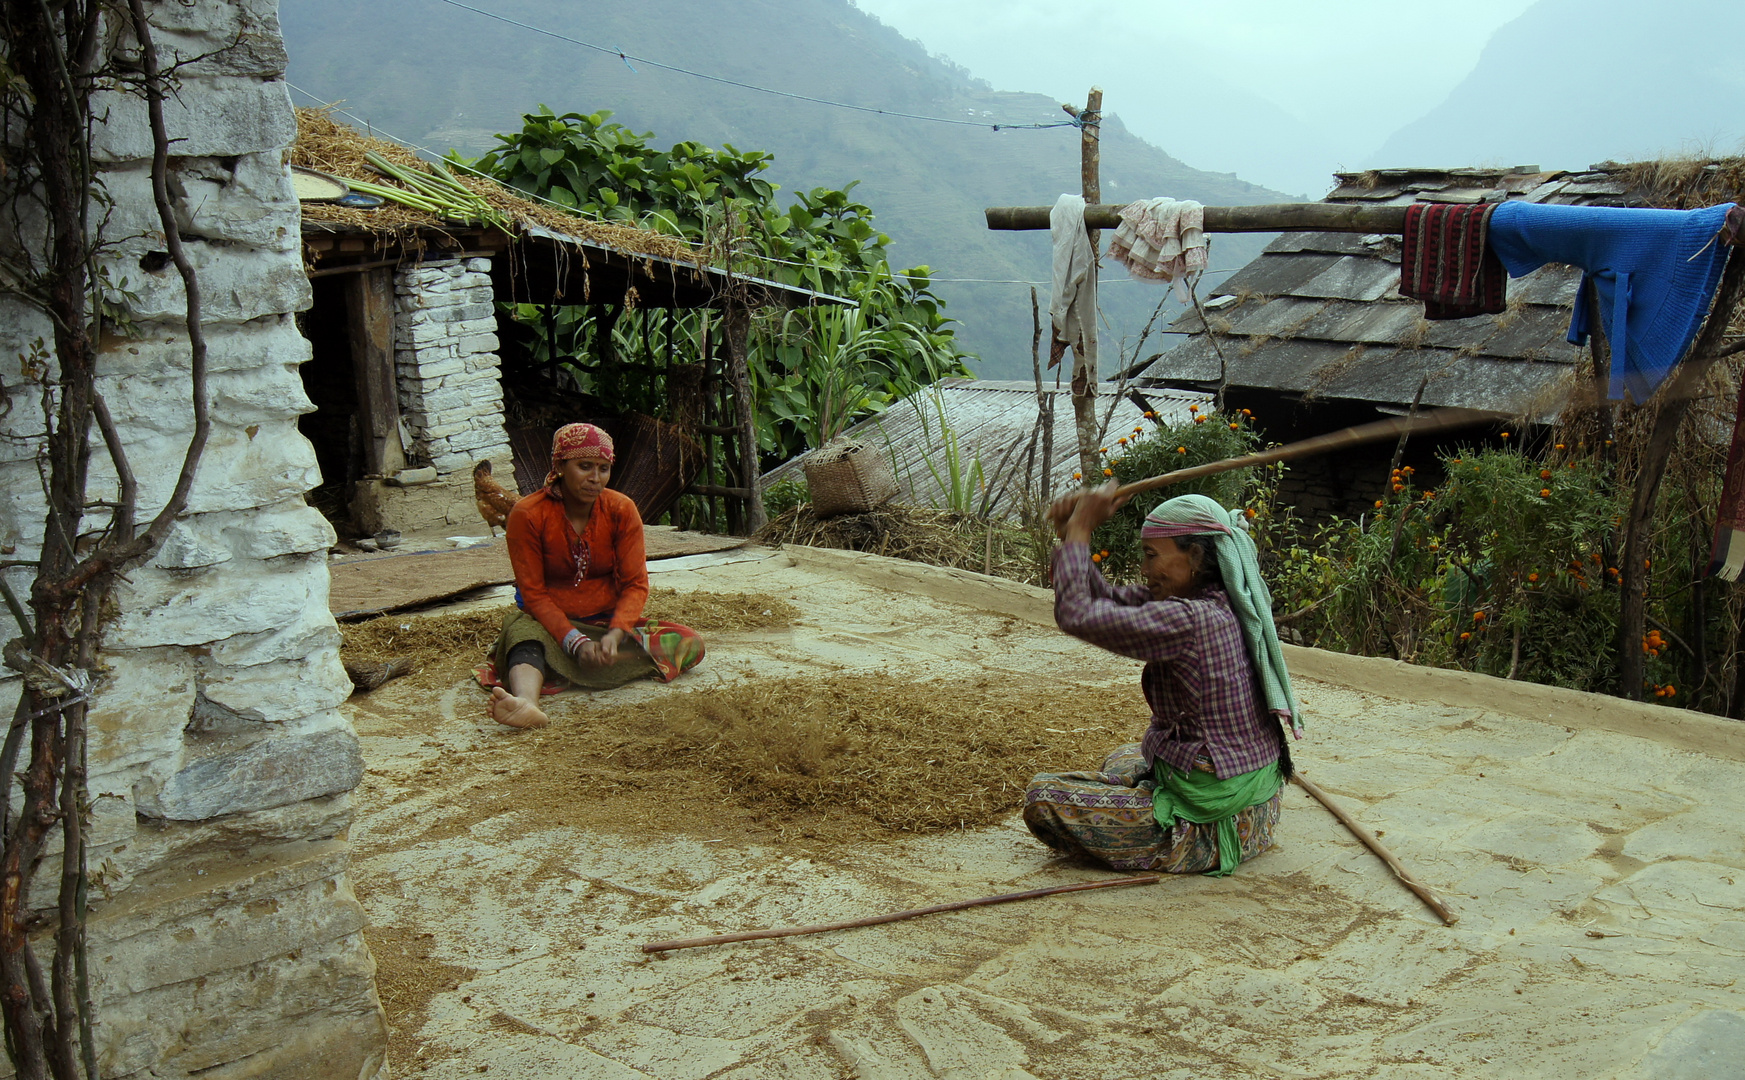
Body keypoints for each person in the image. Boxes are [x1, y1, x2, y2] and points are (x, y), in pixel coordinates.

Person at [1023, 483, 1301, 876]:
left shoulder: (1190, 620)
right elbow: (1105, 600)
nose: (1144, 569)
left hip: (1214, 825)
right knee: (1124, 757)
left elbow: (1077, 614)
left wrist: (1083, 526)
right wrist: (1072, 534)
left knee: (1043, 797)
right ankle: (1170, 803)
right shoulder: (1221, 598)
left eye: (1152, 556)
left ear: (1196, 556)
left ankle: (1187, 838)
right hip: (1255, 802)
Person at [486, 423, 704, 729]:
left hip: (604, 624)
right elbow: (533, 593)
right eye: (584, 466)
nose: (595, 478)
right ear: (560, 466)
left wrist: (615, 635)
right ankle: (526, 702)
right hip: (547, 625)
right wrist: (575, 642)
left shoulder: (621, 510)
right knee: (524, 638)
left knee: (688, 643)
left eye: (604, 468)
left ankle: (562, 670)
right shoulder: (527, 514)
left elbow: (635, 584)